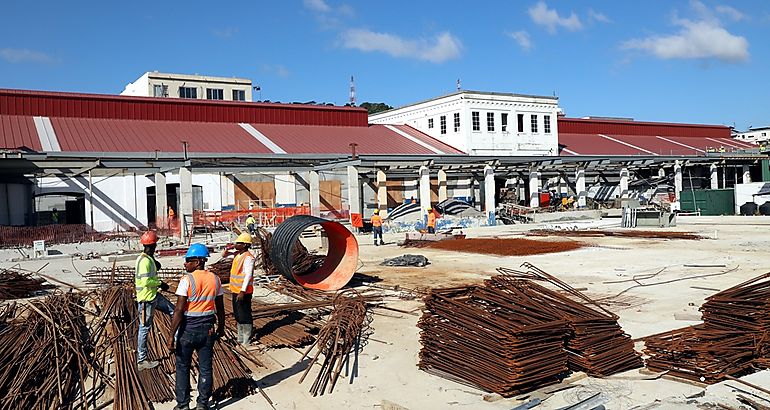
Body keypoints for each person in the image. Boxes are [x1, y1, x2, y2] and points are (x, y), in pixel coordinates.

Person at [168, 243, 225, 410]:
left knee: (182, 367)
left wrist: (171, 335)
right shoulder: (215, 279)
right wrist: (221, 327)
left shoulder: (187, 280)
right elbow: (220, 307)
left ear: (199, 261)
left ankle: (183, 405)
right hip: (207, 331)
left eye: (188, 260)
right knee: (206, 368)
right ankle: (202, 404)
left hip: (188, 330)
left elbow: (179, 310)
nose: (185, 264)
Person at [135, 230, 173, 370]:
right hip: (146, 299)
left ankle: (176, 339)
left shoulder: (146, 258)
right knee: (144, 328)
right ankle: (141, 360)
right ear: (152, 245)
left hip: (153, 296)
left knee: (173, 311)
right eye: (155, 244)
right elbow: (146, 281)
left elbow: (152, 270)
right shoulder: (144, 261)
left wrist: (155, 262)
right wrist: (160, 283)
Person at [222, 233, 255, 345]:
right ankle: (240, 337)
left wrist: (242, 291)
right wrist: (227, 249)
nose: (236, 244)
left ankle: (247, 338)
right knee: (238, 314)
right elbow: (224, 255)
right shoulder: (237, 254)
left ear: (245, 245)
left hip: (244, 292)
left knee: (245, 314)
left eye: (239, 243)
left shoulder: (248, 258)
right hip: (235, 290)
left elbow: (248, 275)